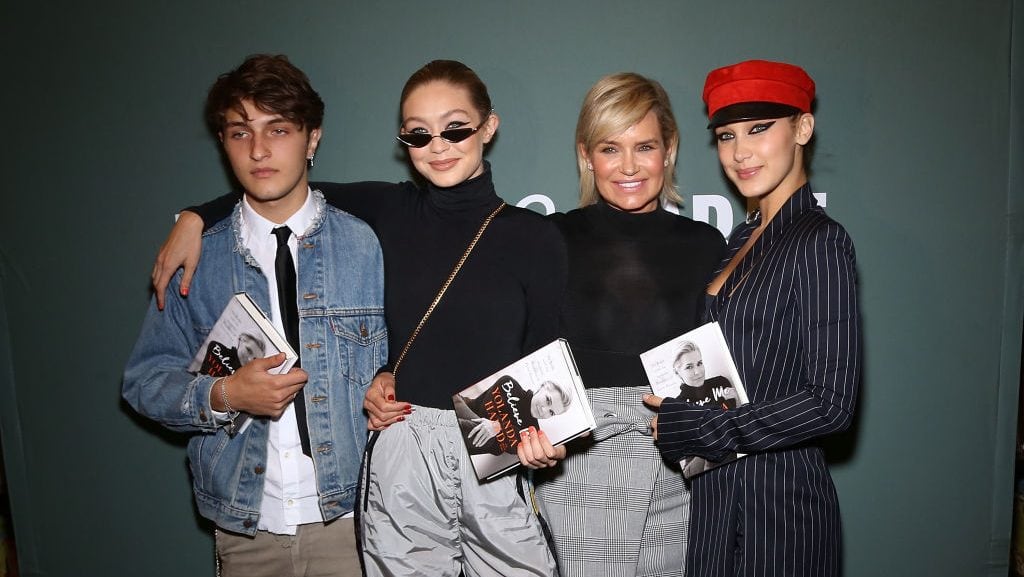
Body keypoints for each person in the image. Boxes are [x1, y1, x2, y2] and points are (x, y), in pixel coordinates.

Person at [149, 59, 566, 577]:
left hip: (493, 459)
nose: (438, 145)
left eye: (455, 127)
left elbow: (547, 363)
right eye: (418, 134)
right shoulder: (386, 210)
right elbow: (276, 188)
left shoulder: (538, 237)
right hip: (402, 458)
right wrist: (195, 216)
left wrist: (547, 440)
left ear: (489, 126)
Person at [122, 54, 386, 577]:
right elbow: (144, 381)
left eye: (279, 129)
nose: (259, 150)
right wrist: (222, 396)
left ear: (312, 139)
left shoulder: (367, 244)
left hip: (354, 520)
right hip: (245, 528)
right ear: (223, 143)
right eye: (240, 132)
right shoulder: (196, 258)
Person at [645, 59, 861, 577]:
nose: (740, 152)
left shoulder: (819, 240)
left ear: (802, 128)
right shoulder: (739, 240)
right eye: (725, 136)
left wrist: (708, 428)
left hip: (780, 508)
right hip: (716, 503)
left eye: (759, 129)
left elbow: (832, 404)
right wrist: (681, 416)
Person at [531, 73, 725, 577]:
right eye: (609, 148)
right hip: (581, 461)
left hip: (679, 463)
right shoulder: (550, 238)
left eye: (645, 146)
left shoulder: (706, 245)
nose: (629, 166)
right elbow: (508, 344)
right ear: (586, 155)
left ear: (669, 149)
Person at [454, 375, 573, 455]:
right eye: (548, 400)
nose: (543, 410)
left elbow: (503, 447)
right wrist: (498, 428)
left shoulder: (532, 435)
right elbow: (483, 409)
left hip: (472, 441)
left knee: (481, 433)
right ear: (542, 386)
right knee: (456, 400)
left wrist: (496, 427)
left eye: (551, 412)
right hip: (464, 406)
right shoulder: (508, 383)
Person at [672, 340, 736, 409]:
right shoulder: (679, 406)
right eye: (689, 367)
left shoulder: (720, 383)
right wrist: (722, 399)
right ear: (677, 373)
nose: (697, 372)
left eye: (699, 363)